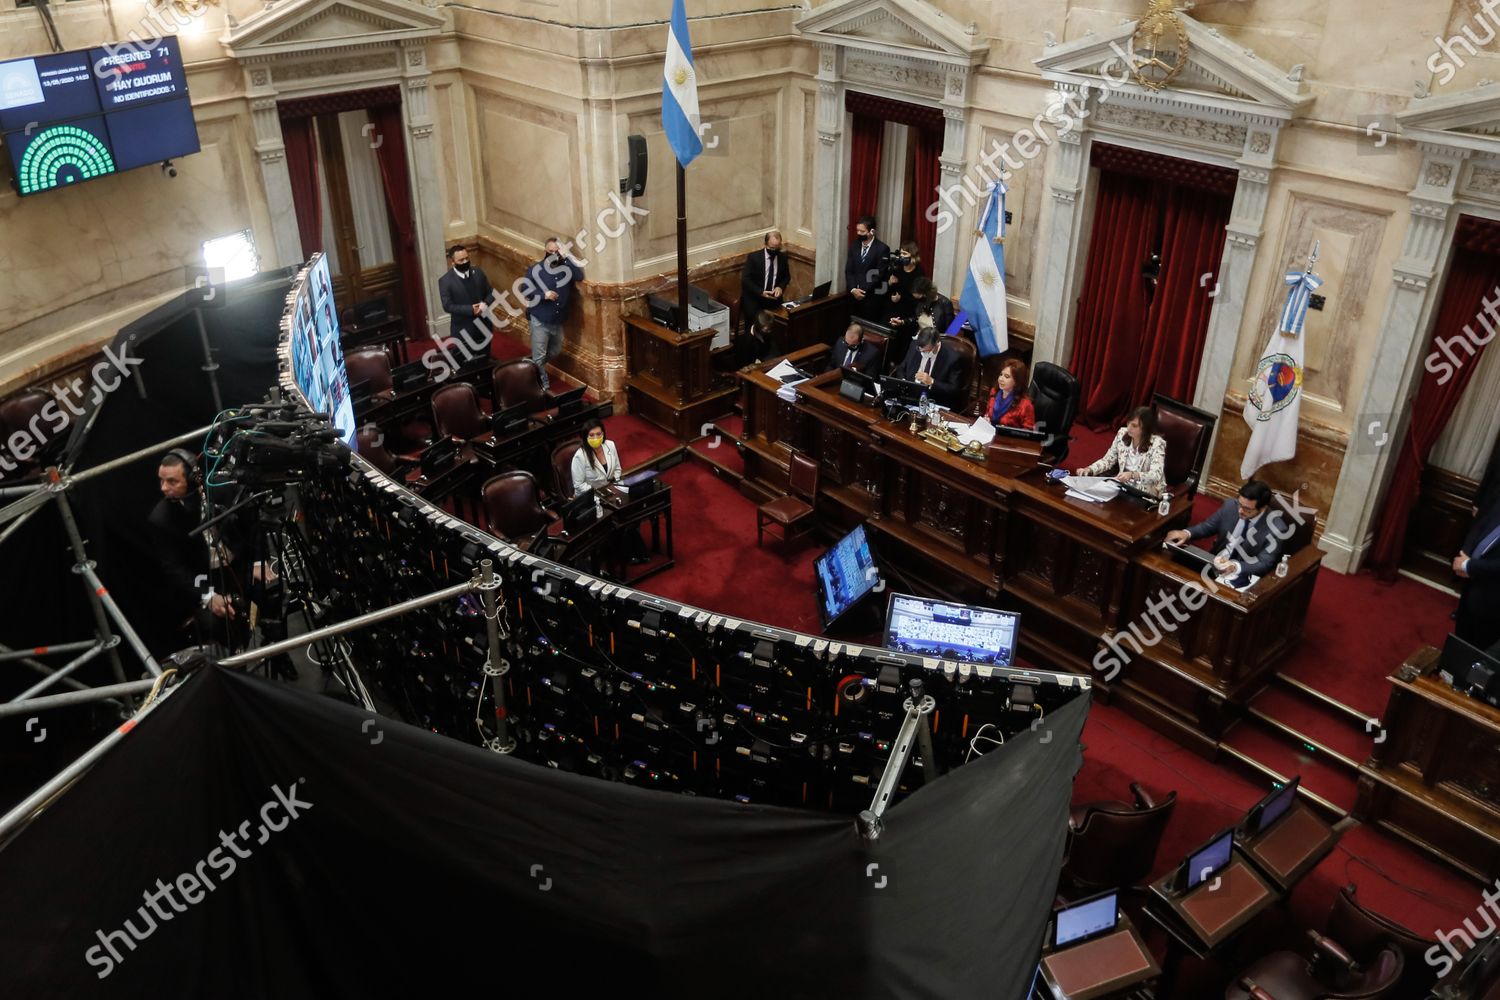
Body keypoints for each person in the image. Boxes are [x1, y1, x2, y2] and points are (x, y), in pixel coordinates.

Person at [1165, 480, 1285, 587]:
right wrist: (1186, 533)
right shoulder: (1230, 506)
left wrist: (1236, 566)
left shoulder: (1276, 529)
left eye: (1247, 509)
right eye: (1240, 504)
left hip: (1241, 576)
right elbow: (1208, 527)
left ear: (1262, 508)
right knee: (1172, 563)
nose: (1240, 511)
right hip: (1214, 562)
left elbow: (1264, 563)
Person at [525, 237, 585, 391]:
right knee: (539, 356)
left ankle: (530, 365)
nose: (553, 254)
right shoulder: (536, 269)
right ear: (545, 251)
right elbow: (525, 289)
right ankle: (543, 386)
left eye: (556, 251)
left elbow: (579, 276)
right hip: (539, 319)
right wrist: (544, 295)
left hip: (557, 320)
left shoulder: (565, 267)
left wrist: (567, 257)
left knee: (556, 350)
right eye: (550, 251)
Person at [1076, 405, 1167, 494]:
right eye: (1128, 423)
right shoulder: (1122, 433)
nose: (1129, 428)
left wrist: (1132, 475)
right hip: (1123, 485)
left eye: (1134, 426)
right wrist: (1089, 469)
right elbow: (1108, 460)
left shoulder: (1157, 444)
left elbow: (1155, 476)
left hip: (1147, 491)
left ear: (1145, 429)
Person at [1453, 500, 1500, 650]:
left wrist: (1469, 566)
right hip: (1471, 583)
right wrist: (1465, 554)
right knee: (1461, 636)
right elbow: (1479, 525)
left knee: (1479, 648)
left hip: (1493, 597)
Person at [437, 245, 495, 347]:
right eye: (461, 260)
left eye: (467, 258)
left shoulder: (478, 272)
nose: (465, 262)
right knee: (464, 361)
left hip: (484, 325)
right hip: (463, 330)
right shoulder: (445, 281)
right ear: (453, 262)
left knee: (485, 358)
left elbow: (491, 293)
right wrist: (470, 310)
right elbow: (448, 306)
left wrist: (485, 304)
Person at [897, 326, 964, 410]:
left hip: (932, 401)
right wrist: (903, 382)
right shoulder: (915, 345)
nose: (922, 353)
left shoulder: (952, 358)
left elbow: (954, 390)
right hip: (909, 396)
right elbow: (902, 367)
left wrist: (932, 382)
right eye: (920, 350)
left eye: (926, 351)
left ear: (936, 343)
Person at [740, 229, 790, 334]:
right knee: (752, 332)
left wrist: (780, 287)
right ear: (765, 244)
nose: (774, 251)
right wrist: (761, 292)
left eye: (777, 248)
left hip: (773, 300)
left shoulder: (782, 258)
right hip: (755, 299)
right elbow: (745, 279)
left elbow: (786, 276)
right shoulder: (754, 258)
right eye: (771, 248)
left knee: (778, 329)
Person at [844, 216, 889, 319]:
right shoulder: (854, 245)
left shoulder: (882, 249)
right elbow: (849, 270)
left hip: (870, 299)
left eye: (862, 231)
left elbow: (879, 274)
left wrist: (862, 291)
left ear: (872, 231)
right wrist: (853, 289)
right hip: (853, 298)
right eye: (858, 230)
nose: (859, 233)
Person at [571, 418, 623, 496]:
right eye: (591, 435)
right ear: (586, 437)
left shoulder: (610, 445)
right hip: (591, 495)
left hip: (611, 491)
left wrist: (614, 485)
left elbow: (617, 469)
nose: (596, 438)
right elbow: (578, 485)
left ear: (603, 434)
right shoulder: (580, 456)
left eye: (598, 434)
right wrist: (600, 492)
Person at [984, 358, 1036, 430]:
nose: (1001, 379)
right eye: (1001, 374)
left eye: (1007, 376)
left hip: (1009, 440)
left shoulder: (1025, 405)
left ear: (1017, 381)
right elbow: (988, 413)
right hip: (989, 435)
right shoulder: (994, 392)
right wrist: (986, 420)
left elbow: (1028, 433)